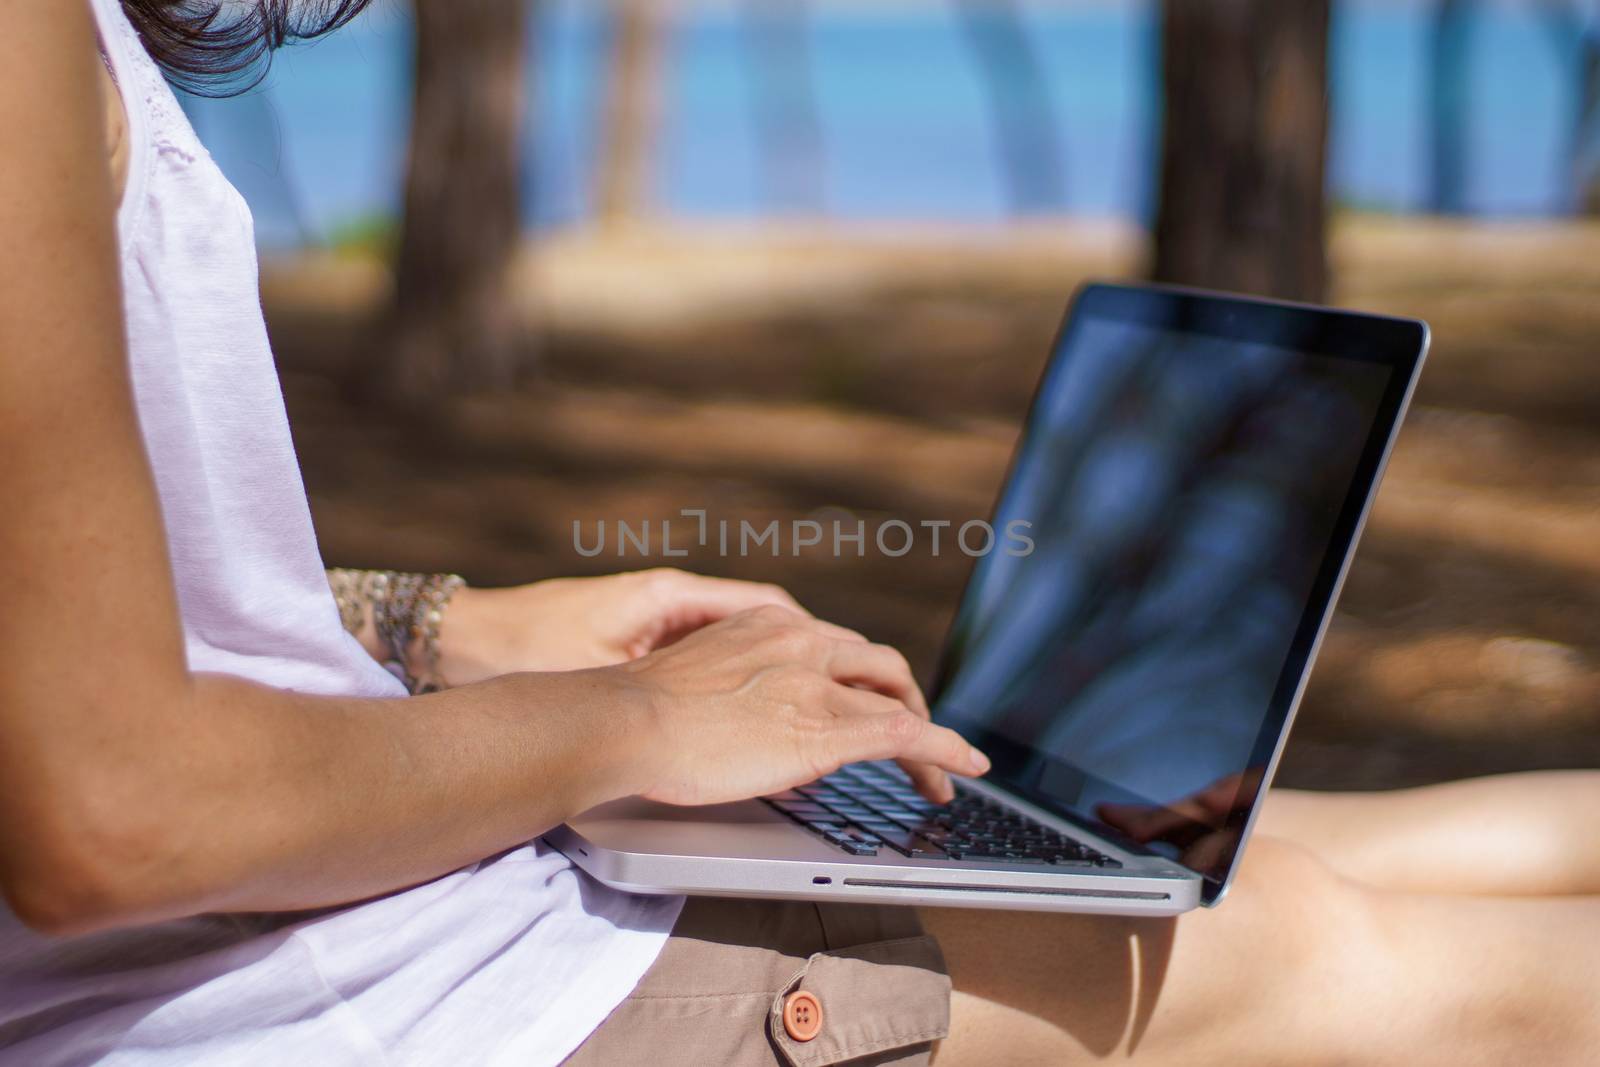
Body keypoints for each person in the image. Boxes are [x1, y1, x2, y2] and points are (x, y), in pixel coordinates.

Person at [0, 3, 1596, 1064]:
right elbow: (122, 817)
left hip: (312, 925)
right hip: (320, 1008)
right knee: (1318, 944)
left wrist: (429, 627)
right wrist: (630, 721)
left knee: (1244, 845)